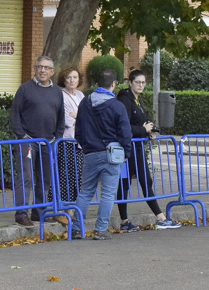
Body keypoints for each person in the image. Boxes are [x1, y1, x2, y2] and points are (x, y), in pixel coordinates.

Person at [71, 69, 133, 240]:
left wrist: (86, 146)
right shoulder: (117, 105)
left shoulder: (85, 102)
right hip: (112, 154)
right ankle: (100, 230)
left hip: (90, 153)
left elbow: (79, 130)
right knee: (107, 193)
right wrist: (126, 152)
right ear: (113, 84)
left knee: (85, 192)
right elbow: (125, 133)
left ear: (98, 83)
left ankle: (77, 228)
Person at [115, 70, 179, 231]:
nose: (141, 85)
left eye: (143, 82)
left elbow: (139, 125)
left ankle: (160, 217)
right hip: (127, 149)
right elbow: (124, 126)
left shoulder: (137, 99)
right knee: (124, 184)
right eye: (138, 82)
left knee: (146, 181)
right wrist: (142, 130)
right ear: (130, 82)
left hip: (137, 148)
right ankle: (126, 220)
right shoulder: (125, 99)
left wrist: (148, 132)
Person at [9, 56, 66, 227]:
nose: (42, 70)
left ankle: (39, 211)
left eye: (46, 68)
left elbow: (61, 117)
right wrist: (21, 135)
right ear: (35, 69)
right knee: (26, 177)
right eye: (39, 67)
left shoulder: (57, 92)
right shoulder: (25, 89)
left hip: (48, 142)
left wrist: (58, 137)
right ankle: (21, 213)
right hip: (28, 141)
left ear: (52, 72)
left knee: (45, 178)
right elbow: (15, 114)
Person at [57, 65, 85, 204]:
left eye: (75, 77)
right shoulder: (61, 95)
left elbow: (88, 116)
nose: (72, 80)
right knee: (66, 175)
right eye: (69, 77)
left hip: (80, 141)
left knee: (79, 175)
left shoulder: (80, 95)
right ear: (64, 79)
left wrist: (77, 116)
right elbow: (66, 119)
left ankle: (75, 205)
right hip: (67, 141)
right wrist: (79, 117)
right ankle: (63, 205)